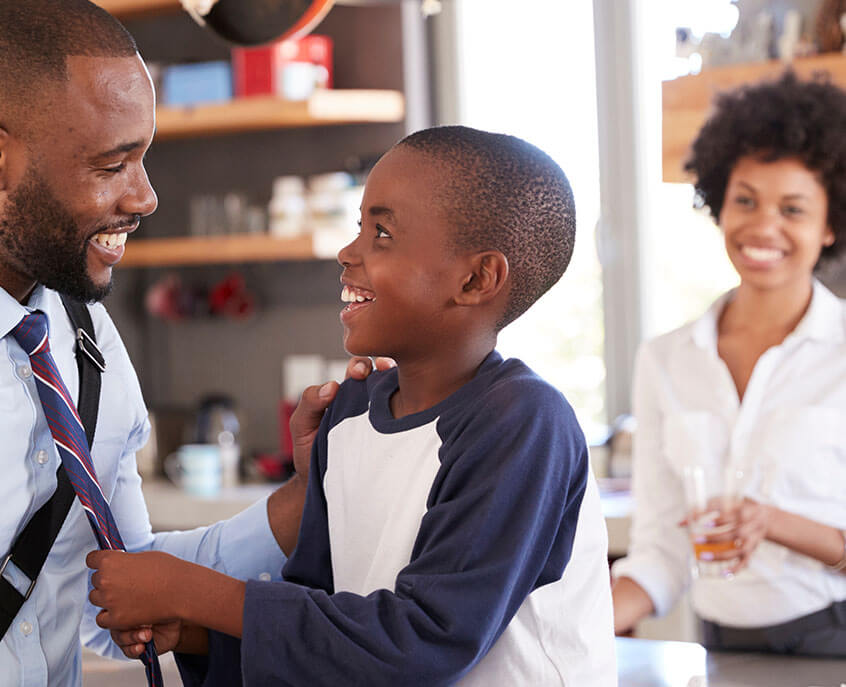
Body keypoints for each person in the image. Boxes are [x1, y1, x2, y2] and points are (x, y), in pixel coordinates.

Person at [0, 1, 351, 684]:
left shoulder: (85, 334)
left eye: (143, 156)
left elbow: (124, 584)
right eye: (112, 164)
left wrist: (299, 504)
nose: (146, 196)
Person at [86, 126, 618, 685]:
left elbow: (424, 639)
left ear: (477, 278)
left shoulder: (523, 423)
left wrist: (192, 591)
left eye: (382, 233)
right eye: (358, 226)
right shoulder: (348, 415)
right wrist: (192, 632)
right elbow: (321, 617)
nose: (348, 251)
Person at [610, 71, 846, 655]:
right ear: (718, 202)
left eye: (793, 209)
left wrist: (773, 523)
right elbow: (664, 550)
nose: (763, 226)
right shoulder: (665, 359)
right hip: (719, 647)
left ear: (830, 226)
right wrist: (573, 623)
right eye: (746, 200)